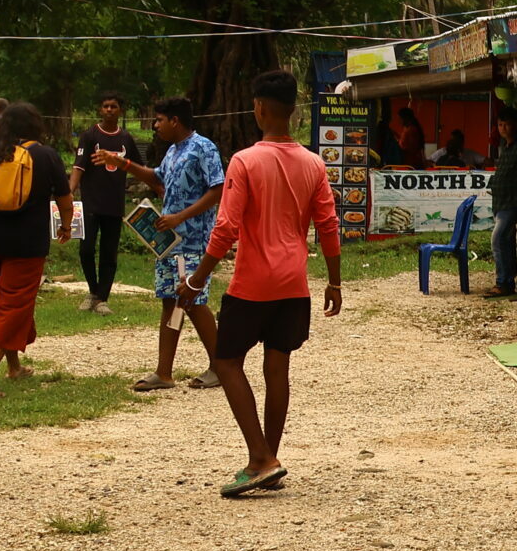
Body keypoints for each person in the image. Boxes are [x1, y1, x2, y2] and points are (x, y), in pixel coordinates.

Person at [184, 70, 342, 498]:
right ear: (292, 110)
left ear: (259, 108)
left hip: (253, 282)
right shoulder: (313, 162)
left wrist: (197, 278)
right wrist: (335, 282)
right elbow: (328, 224)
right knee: (278, 367)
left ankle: (262, 457)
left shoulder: (246, 161)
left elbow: (227, 227)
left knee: (227, 361)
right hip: (294, 283)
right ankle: (266, 458)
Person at [92, 96, 224, 391]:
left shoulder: (203, 148)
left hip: (194, 240)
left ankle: (221, 366)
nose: (155, 126)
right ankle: (164, 372)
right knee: (170, 301)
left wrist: (181, 216)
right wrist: (122, 163)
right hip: (169, 243)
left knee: (193, 300)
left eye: (159, 120)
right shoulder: (173, 151)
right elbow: (156, 178)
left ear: (174, 120)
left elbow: (218, 189)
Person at [0, 102, 74, 395]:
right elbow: (65, 199)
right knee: (14, 307)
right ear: (35, 125)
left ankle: (14, 367)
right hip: (27, 245)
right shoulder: (46, 155)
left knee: (6, 306)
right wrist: (65, 226)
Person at [71, 92, 139, 314]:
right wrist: (69, 192)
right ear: (100, 110)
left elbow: (138, 167)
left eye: (114, 106)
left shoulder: (126, 139)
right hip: (91, 204)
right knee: (86, 249)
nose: (109, 110)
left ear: (120, 111)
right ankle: (93, 290)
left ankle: (102, 299)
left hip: (114, 204)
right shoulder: (90, 136)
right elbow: (78, 167)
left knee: (109, 253)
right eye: (106, 106)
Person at [482, 106, 517, 299]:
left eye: (507, 124)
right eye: (500, 124)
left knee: (498, 238)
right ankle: (507, 283)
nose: (503, 128)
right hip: (500, 202)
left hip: (514, 201)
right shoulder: (505, 146)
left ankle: (502, 282)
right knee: (506, 241)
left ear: (516, 125)